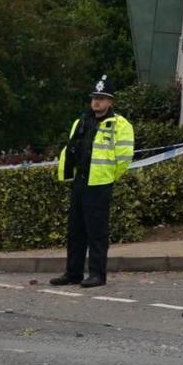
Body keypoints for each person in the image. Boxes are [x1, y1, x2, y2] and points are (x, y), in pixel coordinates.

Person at [51, 76, 134, 289]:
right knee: (75, 230)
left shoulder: (120, 125)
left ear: (111, 102)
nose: (96, 102)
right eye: (95, 98)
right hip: (80, 181)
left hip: (100, 183)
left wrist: (110, 176)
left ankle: (97, 274)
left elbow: (124, 158)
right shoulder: (81, 121)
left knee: (96, 231)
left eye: (102, 98)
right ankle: (73, 273)